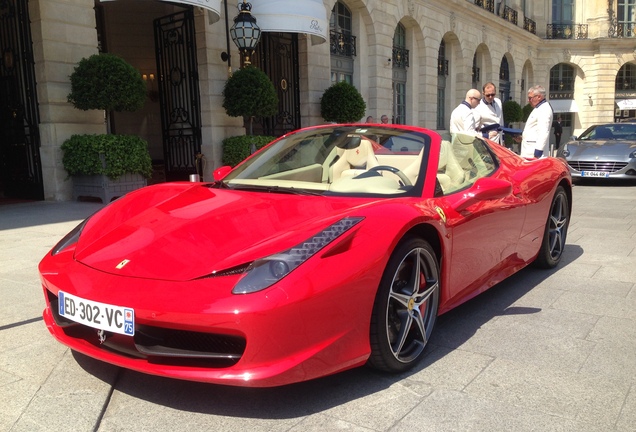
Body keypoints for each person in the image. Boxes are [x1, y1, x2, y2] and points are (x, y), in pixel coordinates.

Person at [519, 85, 553, 158]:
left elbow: (543, 132)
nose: (528, 100)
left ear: (539, 97)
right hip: (529, 151)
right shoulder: (538, 108)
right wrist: (522, 137)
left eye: (530, 98)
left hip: (534, 154)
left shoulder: (544, 109)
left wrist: (537, 153)